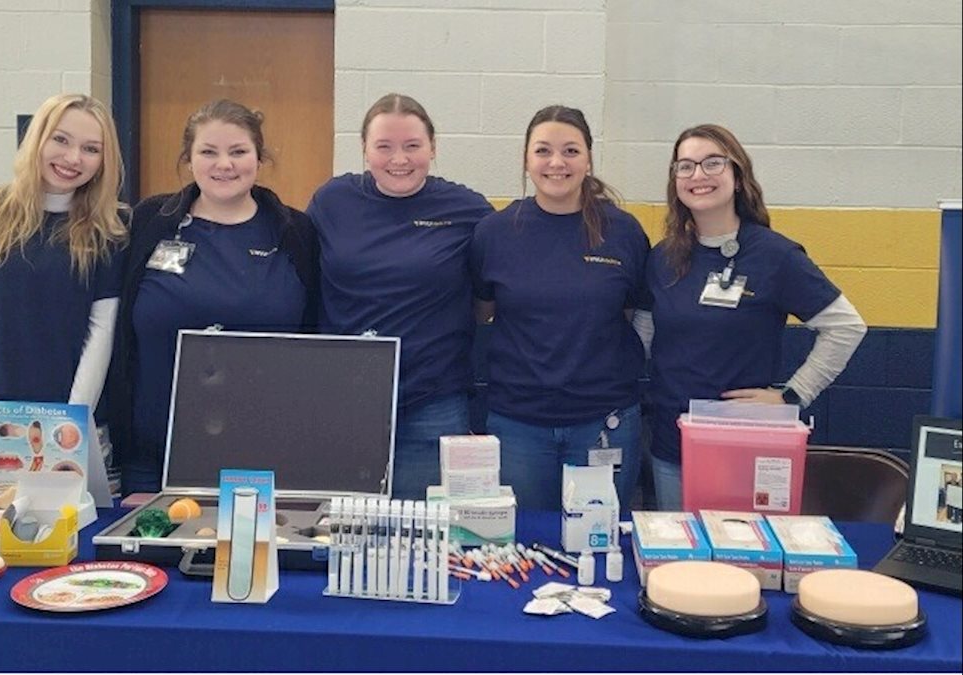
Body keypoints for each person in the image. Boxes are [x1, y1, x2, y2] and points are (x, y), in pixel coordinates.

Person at [637, 124, 867, 510]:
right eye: (686, 166)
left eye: (713, 163)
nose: (699, 175)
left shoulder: (775, 256)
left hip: (742, 445)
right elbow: (644, 332)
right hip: (670, 445)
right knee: (678, 563)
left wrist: (792, 396)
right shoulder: (663, 258)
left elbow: (846, 327)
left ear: (738, 176)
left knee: (742, 562)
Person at [107, 99, 320, 495]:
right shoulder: (149, 222)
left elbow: (316, 336)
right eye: (209, 152)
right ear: (189, 159)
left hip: (265, 452)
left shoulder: (295, 233)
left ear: (259, 158)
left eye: (238, 151)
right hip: (154, 454)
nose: (225, 164)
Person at [307, 93, 494, 500]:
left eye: (412, 146)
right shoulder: (332, 202)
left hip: (433, 401)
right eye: (384, 146)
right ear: (364, 150)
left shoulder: (467, 209)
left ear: (433, 147)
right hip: (344, 398)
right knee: (342, 533)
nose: (399, 159)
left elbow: (487, 298)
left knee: (420, 535)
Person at [470, 105, 650, 514]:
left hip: (605, 422)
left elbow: (637, 314)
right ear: (526, 160)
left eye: (570, 151)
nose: (556, 163)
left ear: (588, 159)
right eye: (543, 151)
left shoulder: (622, 231)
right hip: (517, 425)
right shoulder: (495, 233)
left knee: (600, 547)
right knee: (525, 546)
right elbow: (483, 312)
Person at [0, 93, 128, 412]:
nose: (73, 158)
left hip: (75, 422)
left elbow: (101, 332)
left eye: (91, 149)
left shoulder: (112, 229)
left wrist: (72, 419)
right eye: (61, 140)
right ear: (36, 140)